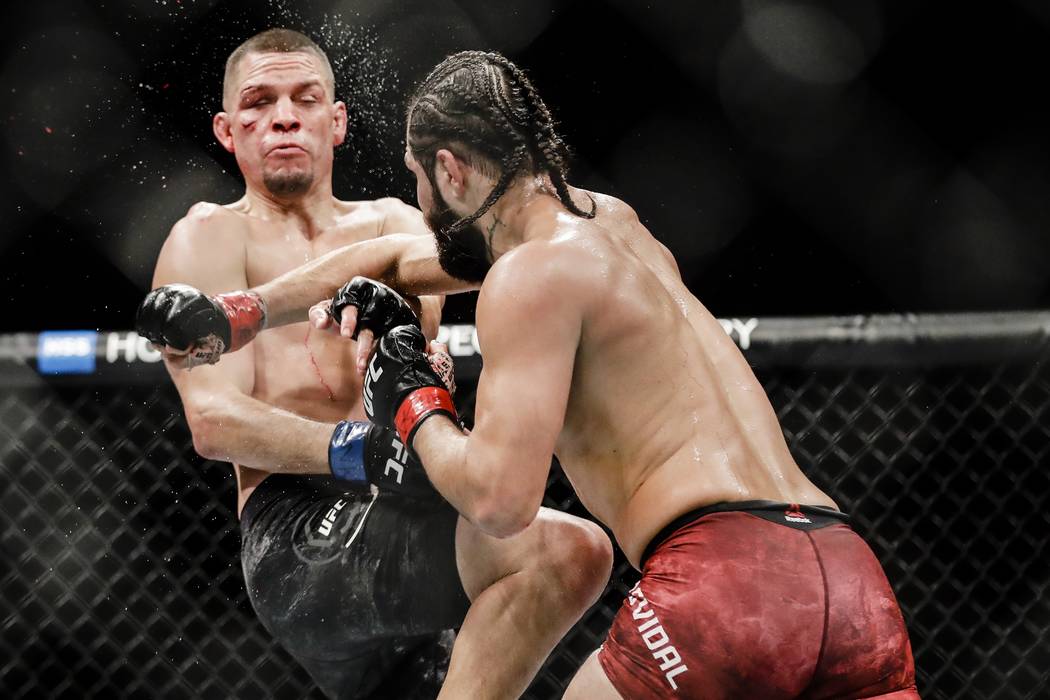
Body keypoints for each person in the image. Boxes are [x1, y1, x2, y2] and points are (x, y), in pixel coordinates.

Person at [146, 50, 919, 698]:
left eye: (420, 179)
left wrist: (413, 402)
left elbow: (500, 499)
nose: (418, 201)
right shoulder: (612, 221)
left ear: (448, 170)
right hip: (848, 577)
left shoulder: (527, 278)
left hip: (722, 582)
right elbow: (385, 260)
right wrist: (241, 313)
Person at [136, 33, 612, 700]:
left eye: (305, 100)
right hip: (294, 531)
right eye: (259, 102)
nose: (283, 117)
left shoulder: (392, 223)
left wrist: (406, 342)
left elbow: (426, 332)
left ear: (337, 123)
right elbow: (214, 421)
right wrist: (361, 449)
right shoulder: (209, 235)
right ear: (226, 129)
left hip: (405, 502)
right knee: (562, 552)